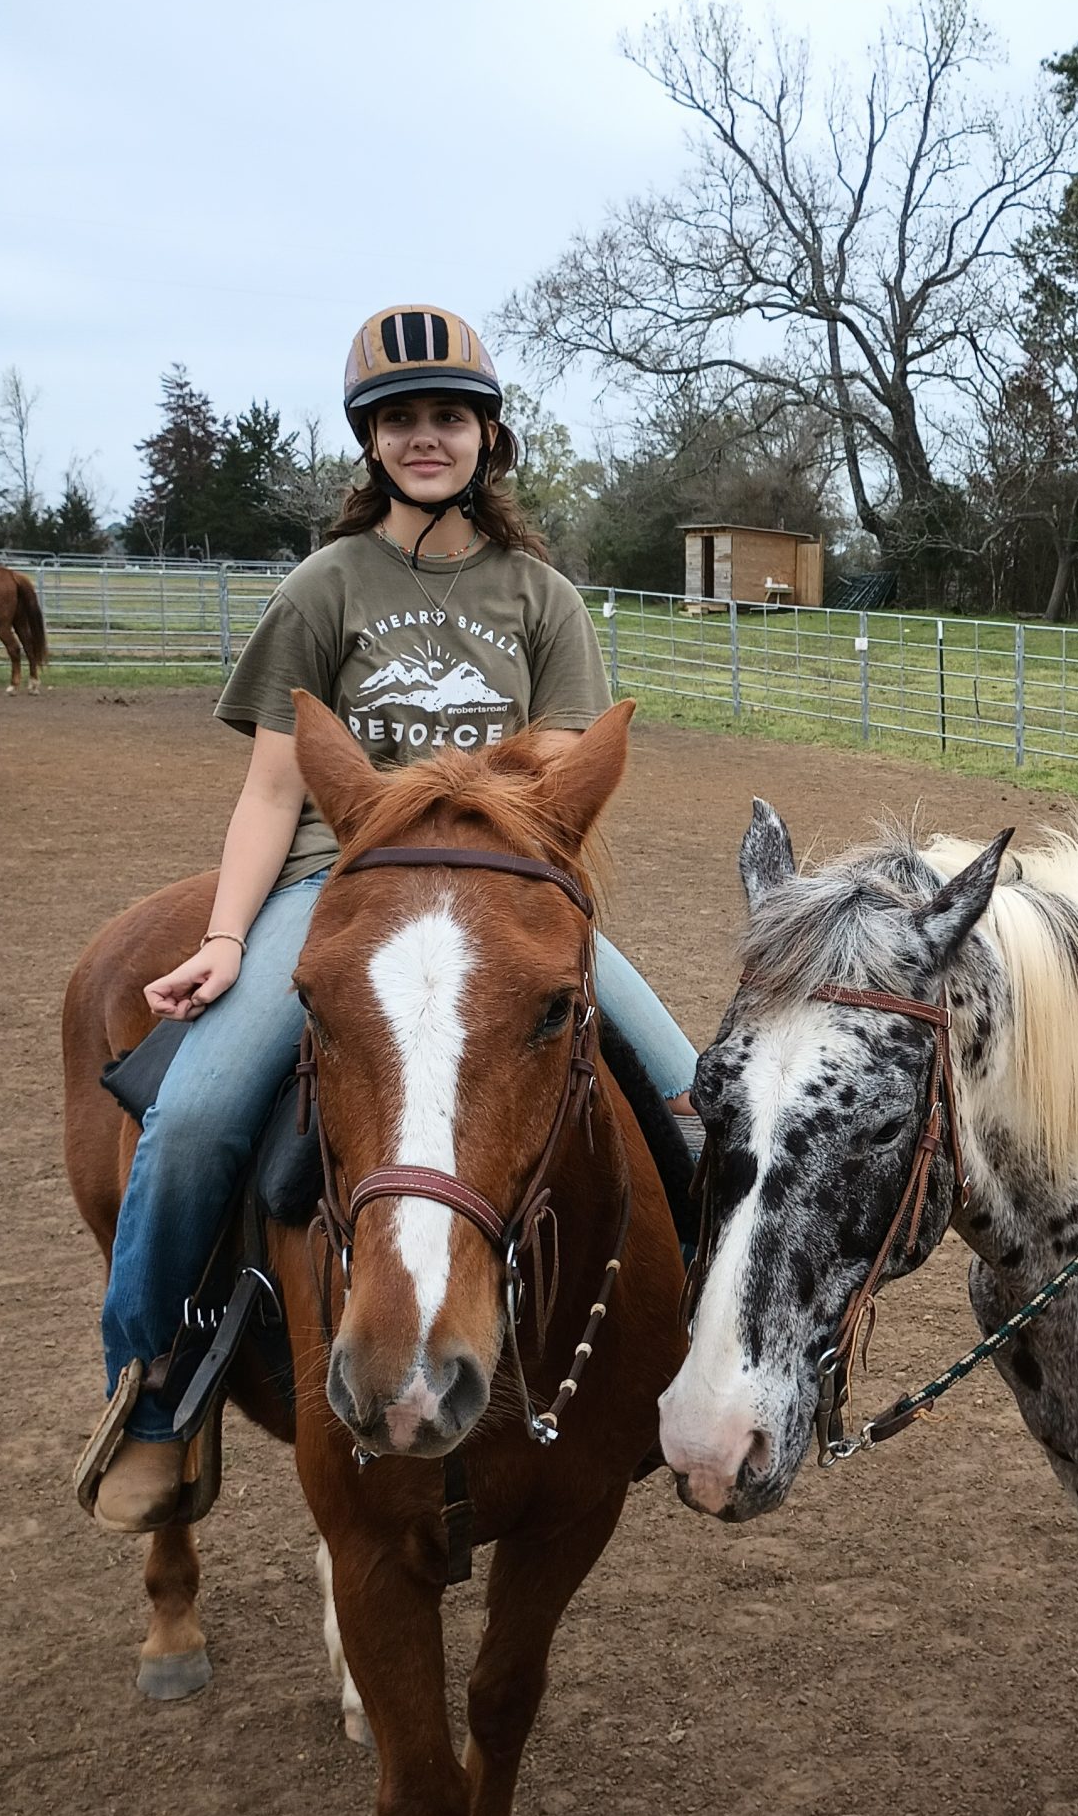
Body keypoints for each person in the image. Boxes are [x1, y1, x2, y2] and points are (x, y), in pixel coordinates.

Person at [86, 305, 698, 1532]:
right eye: (401, 418)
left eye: (449, 417)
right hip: (344, 881)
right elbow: (274, 788)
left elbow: (560, 783)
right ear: (371, 441)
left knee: (693, 1104)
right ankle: (153, 1398)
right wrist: (224, 938)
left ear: (487, 437)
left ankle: (704, 1369)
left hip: (503, 891)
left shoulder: (541, 599)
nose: (427, 436)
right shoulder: (326, 586)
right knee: (194, 1116)